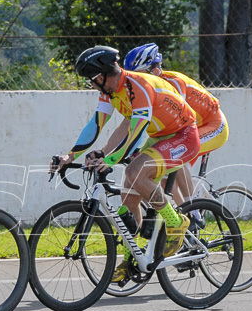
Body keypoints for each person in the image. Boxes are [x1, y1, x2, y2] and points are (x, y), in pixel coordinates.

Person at [51, 45, 201, 282]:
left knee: (134, 171)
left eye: (91, 80)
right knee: (128, 201)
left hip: (183, 135)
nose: (91, 85)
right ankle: (129, 261)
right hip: (161, 136)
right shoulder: (110, 91)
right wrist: (71, 156)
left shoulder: (137, 86)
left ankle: (176, 222)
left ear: (101, 76)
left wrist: (109, 160)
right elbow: (95, 124)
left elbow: (135, 133)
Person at [123, 42, 229, 205]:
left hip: (213, 125)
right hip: (191, 127)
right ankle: (184, 218)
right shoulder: (146, 88)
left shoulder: (174, 82)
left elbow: (177, 123)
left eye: (139, 74)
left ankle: (193, 210)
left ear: (155, 70)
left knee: (178, 155)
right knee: (166, 181)